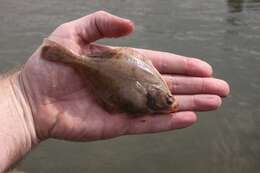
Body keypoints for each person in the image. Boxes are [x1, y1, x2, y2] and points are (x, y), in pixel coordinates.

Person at [0, 11, 230, 172]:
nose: (171, 102)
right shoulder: (154, 93)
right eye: (169, 100)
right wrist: (25, 97)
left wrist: (24, 102)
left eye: (168, 101)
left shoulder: (150, 98)